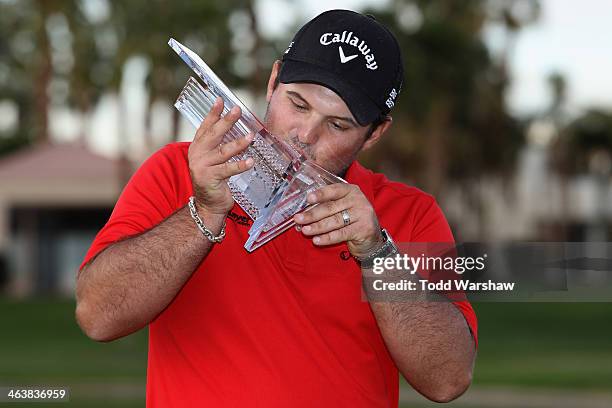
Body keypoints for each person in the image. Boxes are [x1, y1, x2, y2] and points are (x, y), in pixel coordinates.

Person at [76, 9, 477, 407]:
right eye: (298, 104)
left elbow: (448, 379)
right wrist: (204, 212)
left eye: (337, 125)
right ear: (273, 81)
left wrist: (377, 253)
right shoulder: (178, 171)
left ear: (375, 133)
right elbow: (97, 316)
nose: (304, 135)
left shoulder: (411, 213)